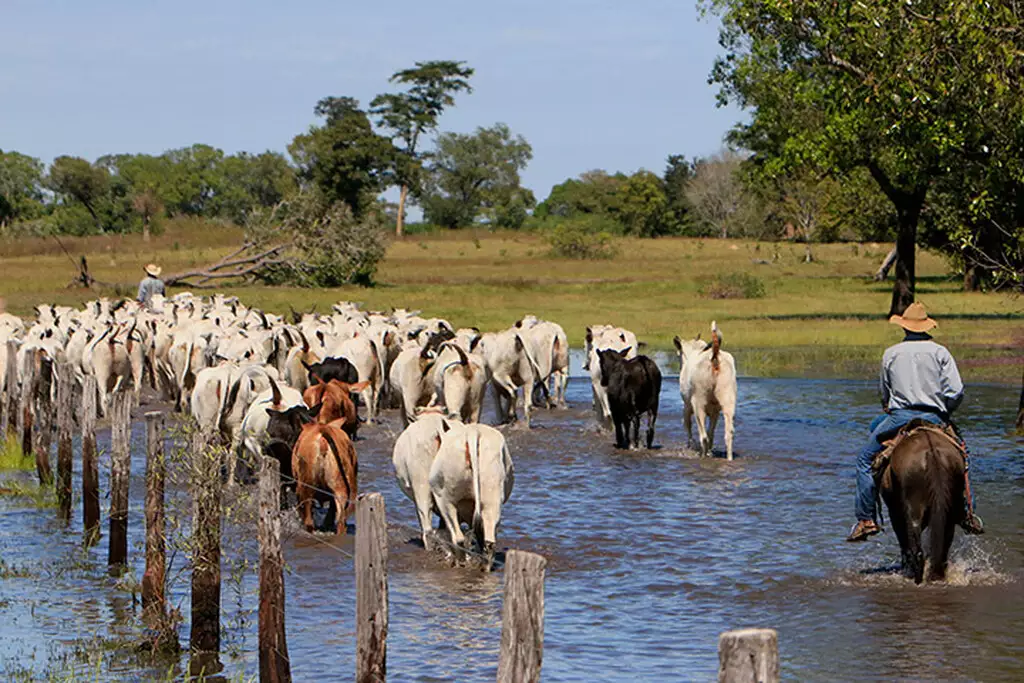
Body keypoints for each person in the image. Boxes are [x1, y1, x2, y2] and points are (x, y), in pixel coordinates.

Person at [847, 302, 984, 542]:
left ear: (904, 327)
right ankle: (965, 512)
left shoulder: (891, 353)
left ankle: (866, 519)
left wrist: (887, 406)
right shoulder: (940, 352)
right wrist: (947, 411)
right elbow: (957, 391)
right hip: (935, 416)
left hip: (899, 416)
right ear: (926, 326)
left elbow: (884, 391)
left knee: (864, 460)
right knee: (962, 454)